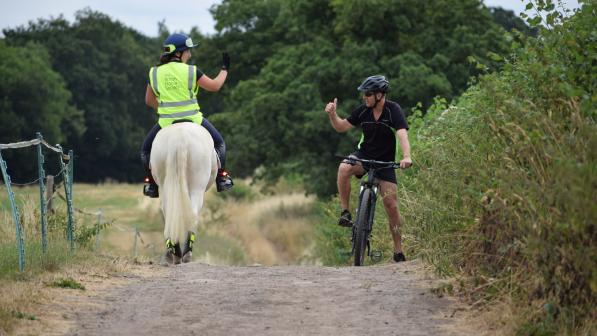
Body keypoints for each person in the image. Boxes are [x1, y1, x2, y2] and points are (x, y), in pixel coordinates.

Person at [324, 75, 412, 262]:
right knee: (343, 168)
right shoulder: (363, 111)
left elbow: (402, 134)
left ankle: (398, 251)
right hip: (364, 156)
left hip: (385, 162)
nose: (365, 97)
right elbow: (341, 127)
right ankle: (346, 213)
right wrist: (332, 114)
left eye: (368, 94)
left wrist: (406, 157)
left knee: (392, 206)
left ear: (380, 95)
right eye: (364, 94)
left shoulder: (392, 110)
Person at [141, 33, 233, 197]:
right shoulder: (192, 71)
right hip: (194, 119)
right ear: (178, 53)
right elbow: (215, 86)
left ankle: (151, 184)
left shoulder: (154, 73)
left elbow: (149, 100)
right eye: (188, 51)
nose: (189, 54)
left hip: (166, 122)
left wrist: (164, 109)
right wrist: (225, 69)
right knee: (219, 144)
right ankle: (221, 178)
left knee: (145, 150)